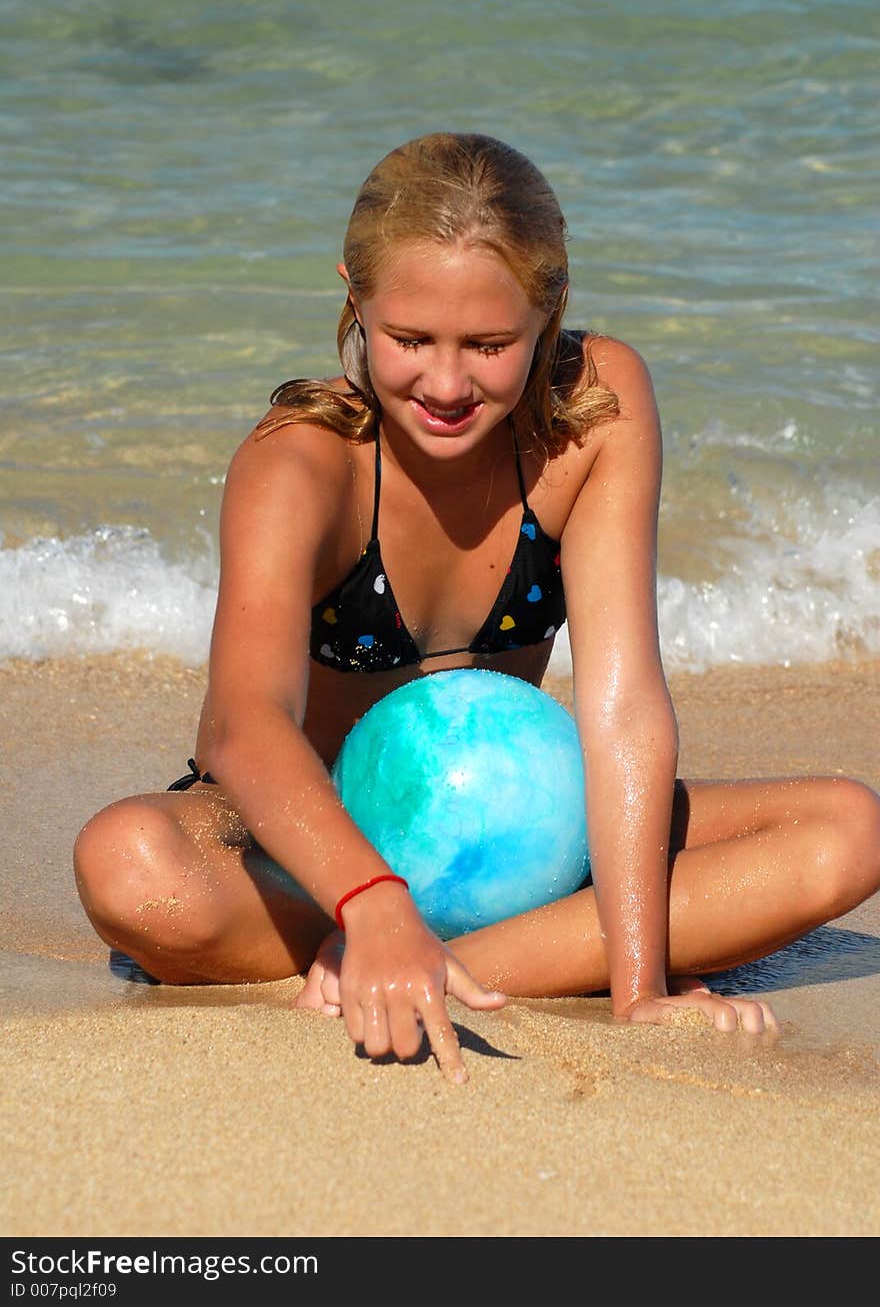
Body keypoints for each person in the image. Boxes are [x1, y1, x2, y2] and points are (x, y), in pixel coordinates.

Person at [73, 133, 880, 1083]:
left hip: (538, 843)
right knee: (126, 862)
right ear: (354, 296)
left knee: (849, 829)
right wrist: (370, 900)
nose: (448, 385)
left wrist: (639, 987)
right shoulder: (301, 462)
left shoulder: (598, 410)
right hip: (323, 853)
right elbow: (241, 726)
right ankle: (435, 946)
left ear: (551, 309)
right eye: (409, 339)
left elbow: (620, 709)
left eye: (491, 346)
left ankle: (430, 965)